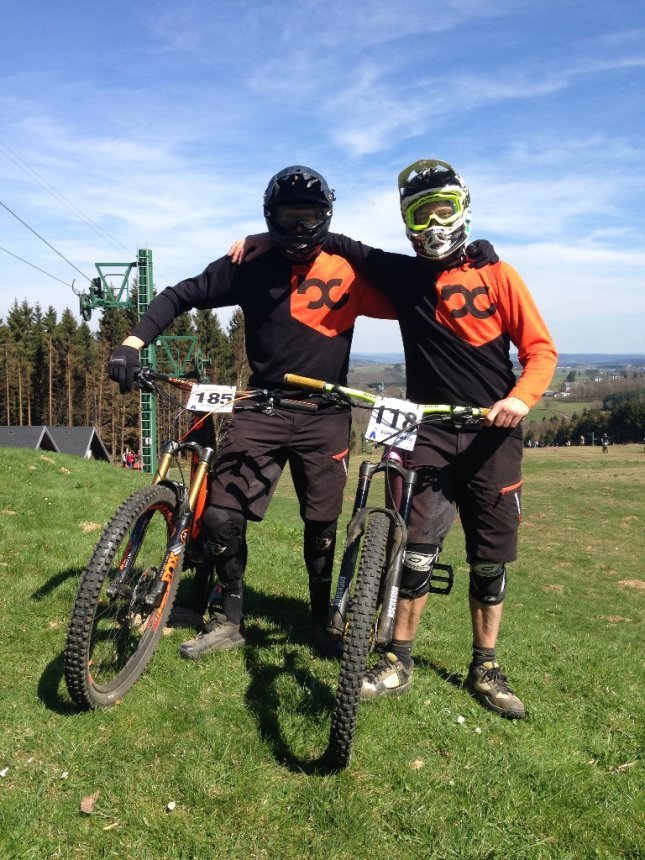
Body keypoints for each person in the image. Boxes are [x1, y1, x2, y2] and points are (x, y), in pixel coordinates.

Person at [107, 165, 494, 662]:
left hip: (326, 412)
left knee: (323, 524)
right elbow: (179, 295)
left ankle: (319, 620)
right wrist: (133, 343)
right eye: (287, 218)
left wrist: (472, 256)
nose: (297, 229)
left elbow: (418, 282)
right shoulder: (250, 264)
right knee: (223, 515)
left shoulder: (348, 267)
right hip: (261, 406)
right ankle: (230, 617)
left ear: (324, 216)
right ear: (271, 217)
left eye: (307, 216)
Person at [233, 158, 557, 719]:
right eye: (419, 213)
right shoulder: (405, 278)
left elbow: (541, 351)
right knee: (417, 551)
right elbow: (338, 243)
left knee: (489, 561)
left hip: (491, 435)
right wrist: (269, 236)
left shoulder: (499, 275)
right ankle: (398, 656)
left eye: (443, 210)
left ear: (463, 209)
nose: (433, 224)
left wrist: (519, 400)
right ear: (406, 221)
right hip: (426, 428)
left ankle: (485, 664)